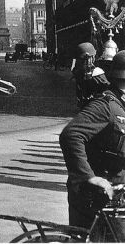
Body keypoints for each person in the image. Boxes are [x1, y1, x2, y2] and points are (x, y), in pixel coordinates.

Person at [59, 49, 125, 234]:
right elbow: (71, 135)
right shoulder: (105, 106)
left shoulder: (120, 106)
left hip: (114, 191)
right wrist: (88, 177)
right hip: (94, 195)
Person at [71, 42, 109, 109]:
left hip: (85, 104)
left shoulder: (77, 72)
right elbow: (107, 90)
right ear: (93, 57)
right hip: (96, 106)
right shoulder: (97, 73)